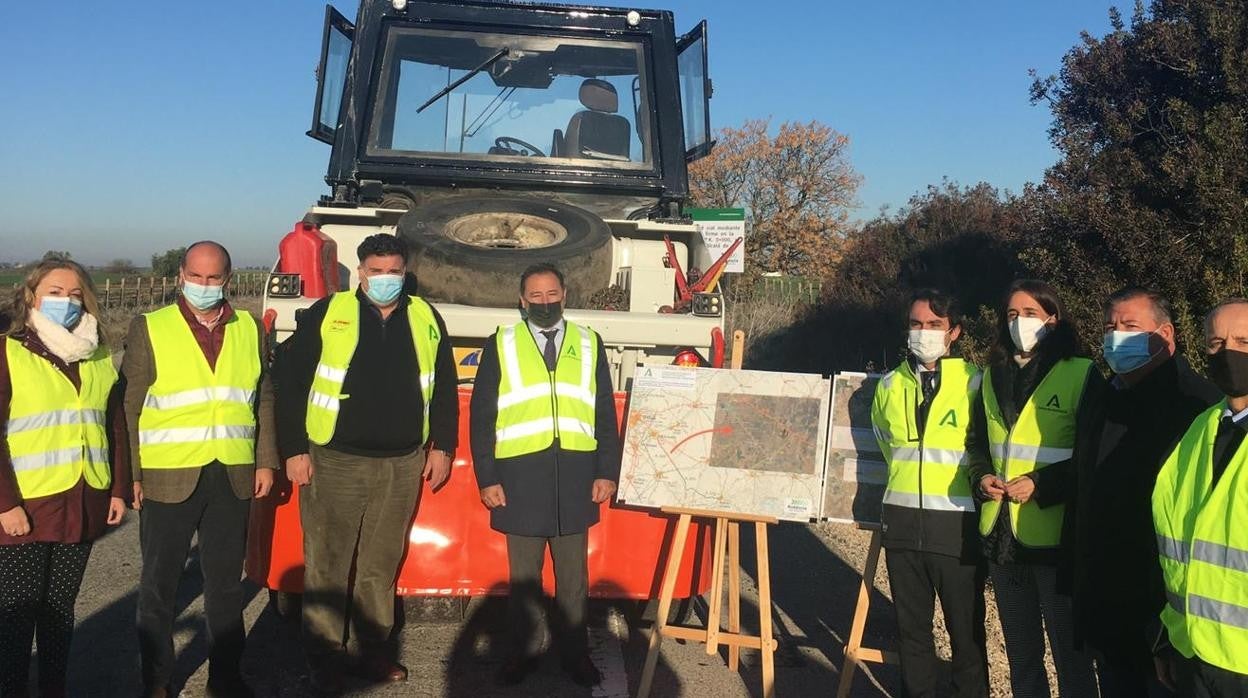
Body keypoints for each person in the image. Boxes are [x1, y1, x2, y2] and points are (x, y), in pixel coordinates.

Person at [275, 234, 459, 691]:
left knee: (381, 564)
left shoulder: (425, 317)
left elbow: (444, 387)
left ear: (405, 272)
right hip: (336, 459)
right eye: (376, 271)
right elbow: (291, 382)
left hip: (401, 462)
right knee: (328, 562)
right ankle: (325, 657)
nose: (385, 279)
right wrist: (294, 449)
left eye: (393, 271)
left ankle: (371, 652)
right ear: (360, 272)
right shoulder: (329, 313)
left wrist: (444, 445)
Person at [123, 241, 276, 698]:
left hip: (231, 473)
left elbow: (262, 395)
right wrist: (131, 472)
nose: (205, 287)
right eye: (196, 276)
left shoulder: (249, 327)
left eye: (214, 278)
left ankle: (226, 679)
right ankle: (156, 680)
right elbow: (130, 406)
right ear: (180, 277)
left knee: (226, 587)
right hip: (167, 474)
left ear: (227, 279)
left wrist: (265, 459)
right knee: (159, 588)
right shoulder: (151, 328)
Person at [469, 263, 621, 688]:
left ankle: (576, 656)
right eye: (535, 296)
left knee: (574, 581)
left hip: (576, 477)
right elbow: (482, 418)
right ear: (522, 300)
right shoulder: (501, 343)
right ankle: (522, 653)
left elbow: (604, 415)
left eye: (551, 293)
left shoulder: (590, 343)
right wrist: (487, 477)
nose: (544, 302)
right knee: (524, 582)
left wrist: (607, 470)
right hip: (519, 478)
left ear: (565, 294)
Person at [1069, 287, 1219, 697]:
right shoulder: (1103, 397)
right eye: (1110, 327)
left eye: (1130, 326)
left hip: (1164, 615)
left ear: (1166, 335)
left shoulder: (1199, 406)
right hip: (1107, 604)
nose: (1117, 336)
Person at [966, 278, 1101, 697]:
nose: (1019, 323)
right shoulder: (991, 376)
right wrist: (981, 477)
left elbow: (1093, 455)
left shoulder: (1081, 374)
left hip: (1056, 542)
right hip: (1003, 539)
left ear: (1053, 319)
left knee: (1070, 656)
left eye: (1030, 314)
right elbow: (976, 444)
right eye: (1011, 315)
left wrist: (1041, 485)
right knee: (1022, 654)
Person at [0, 259, 129, 697]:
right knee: (17, 615)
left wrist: (118, 489)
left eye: (75, 294)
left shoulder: (96, 355)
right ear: (31, 296)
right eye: (55, 292)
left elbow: (114, 427)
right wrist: (5, 503)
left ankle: (54, 688)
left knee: (59, 611)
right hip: (26, 508)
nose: (66, 301)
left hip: (83, 502)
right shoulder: (9, 352)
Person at [872, 289, 989, 697]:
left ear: (953, 332)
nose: (924, 332)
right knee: (912, 636)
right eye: (917, 324)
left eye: (935, 325)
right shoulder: (888, 385)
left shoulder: (977, 383)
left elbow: (985, 450)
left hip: (957, 528)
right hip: (902, 525)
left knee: (966, 639)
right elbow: (888, 445)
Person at [1152, 298, 1248, 697]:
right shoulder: (1198, 431)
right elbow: (1179, 549)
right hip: (1193, 650)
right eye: (1216, 343)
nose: (1228, 353)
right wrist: (1165, 635)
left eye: (1243, 341)